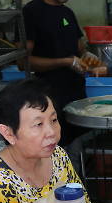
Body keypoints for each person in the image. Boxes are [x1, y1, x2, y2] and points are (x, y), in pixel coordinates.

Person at [0, 79, 103, 203]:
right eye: (38, 124)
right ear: (9, 133)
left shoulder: (57, 156)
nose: (51, 132)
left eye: (53, 120)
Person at [22, 0, 97, 150]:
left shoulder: (67, 12)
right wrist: (66, 62)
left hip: (76, 95)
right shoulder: (32, 11)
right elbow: (23, 61)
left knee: (77, 147)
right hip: (50, 97)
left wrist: (88, 55)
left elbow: (79, 47)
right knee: (56, 148)